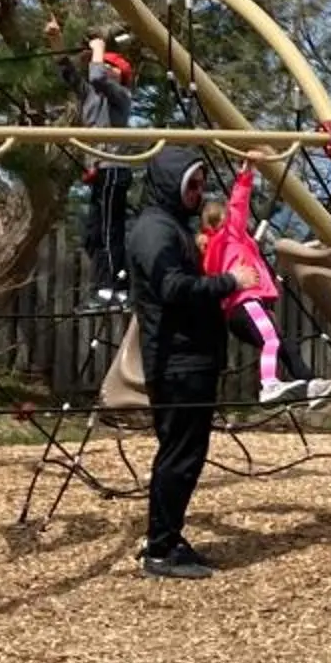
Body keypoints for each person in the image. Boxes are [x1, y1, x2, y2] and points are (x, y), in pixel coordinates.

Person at [123, 144, 237, 579]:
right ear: (172, 182)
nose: (200, 191)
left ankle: (167, 534)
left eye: (202, 182)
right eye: (193, 183)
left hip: (189, 357)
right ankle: (160, 550)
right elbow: (172, 287)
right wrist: (229, 281)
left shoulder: (169, 225)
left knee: (184, 453)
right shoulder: (155, 230)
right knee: (180, 456)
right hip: (178, 361)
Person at [198, 162, 331, 405]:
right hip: (246, 302)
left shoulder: (213, 250)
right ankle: (269, 384)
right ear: (226, 220)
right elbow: (239, 204)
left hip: (241, 310)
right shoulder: (230, 236)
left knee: (284, 344)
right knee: (272, 341)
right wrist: (246, 172)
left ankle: (310, 382)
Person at [75, 32, 134, 305]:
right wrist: (56, 41)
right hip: (100, 172)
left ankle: (113, 287)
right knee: (92, 235)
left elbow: (97, 76)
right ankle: (106, 285)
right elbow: (72, 76)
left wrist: (99, 48)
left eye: (109, 66)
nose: (101, 68)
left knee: (109, 230)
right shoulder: (92, 97)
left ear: (120, 74)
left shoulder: (121, 96)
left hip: (113, 170)